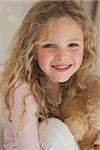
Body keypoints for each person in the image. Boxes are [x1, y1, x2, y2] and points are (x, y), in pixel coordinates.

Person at [0, 0, 100, 149]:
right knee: (51, 130)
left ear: (85, 47)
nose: (62, 56)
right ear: (32, 49)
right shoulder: (22, 88)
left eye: (72, 45)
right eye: (49, 45)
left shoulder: (82, 80)